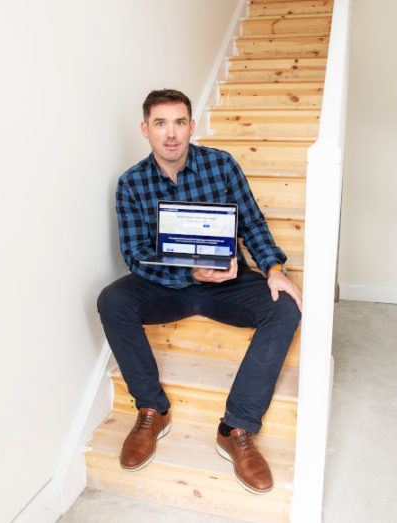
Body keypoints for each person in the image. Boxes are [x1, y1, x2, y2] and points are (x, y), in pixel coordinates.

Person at [97, 89, 302, 494]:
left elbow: (253, 225)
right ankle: (152, 408)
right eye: (160, 124)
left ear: (191, 126)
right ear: (146, 129)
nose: (170, 134)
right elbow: (136, 255)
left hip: (227, 283)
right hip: (166, 285)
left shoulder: (221, 166)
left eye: (178, 123)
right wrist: (191, 272)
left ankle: (237, 427)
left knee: (286, 307)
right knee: (112, 299)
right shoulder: (131, 184)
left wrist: (275, 268)